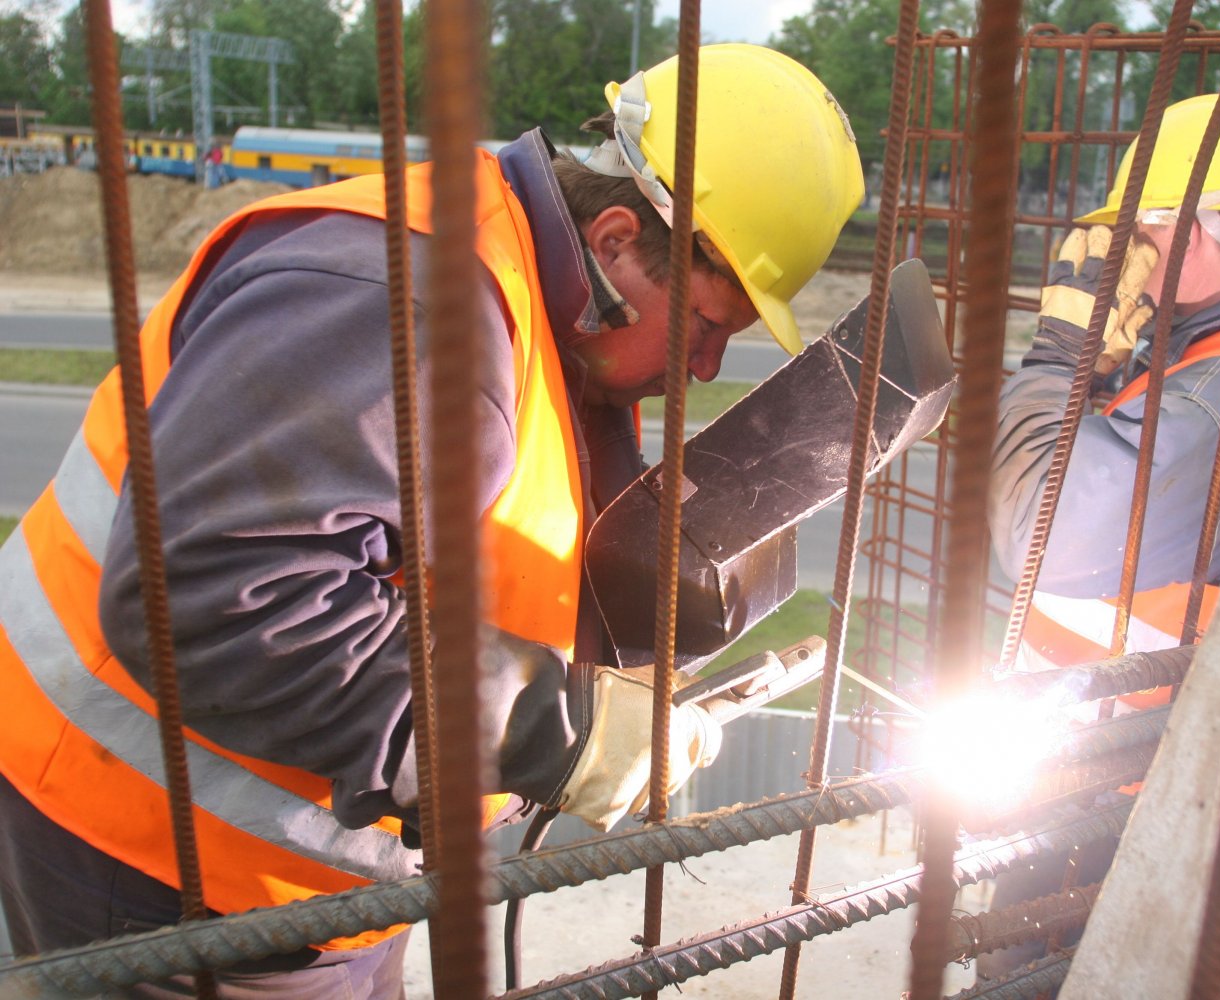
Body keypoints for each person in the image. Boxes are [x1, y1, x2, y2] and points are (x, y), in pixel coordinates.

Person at [0, 44, 863, 997]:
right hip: (162, 864)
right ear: (617, 241)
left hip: (334, 867)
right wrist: (557, 729)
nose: (702, 370)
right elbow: (213, 600)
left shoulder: (552, 305)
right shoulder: (402, 305)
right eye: (704, 327)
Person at [978, 94, 1220, 980]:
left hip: (1121, 803)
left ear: (1190, 236)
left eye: (1136, 235)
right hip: (1098, 772)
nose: (1117, 258)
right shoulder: (1216, 351)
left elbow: (1038, 528)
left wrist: (1056, 357)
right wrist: (1109, 370)